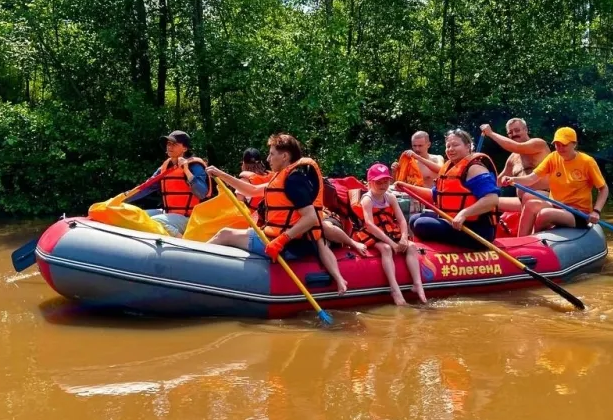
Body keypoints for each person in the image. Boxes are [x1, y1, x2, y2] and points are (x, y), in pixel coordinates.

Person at [208, 134, 349, 294]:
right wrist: (221, 174)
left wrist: (281, 240)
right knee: (227, 233)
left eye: (272, 154)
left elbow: (310, 218)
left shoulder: (294, 181)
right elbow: (252, 190)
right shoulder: (285, 177)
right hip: (277, 237)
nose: (268, 159)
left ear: (284, 156)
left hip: (289, 245)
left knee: (225, 234)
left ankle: (192, 263)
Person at [398, 129, 501, 249]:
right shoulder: (448, 168)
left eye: (455, 145)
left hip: (476, 229)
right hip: (454, 223)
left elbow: (492, 199)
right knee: (414, 219)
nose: (451, 149)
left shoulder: (475, 168)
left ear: (468, 146)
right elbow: (434, 195)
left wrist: (464, 213)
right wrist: (405, 187)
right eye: (448, 146)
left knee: (421, 224)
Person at [502, 127, 609, 236]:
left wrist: (596, 211)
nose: (560, 148)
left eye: (564, 145)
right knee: (530, 205)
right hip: (556, 205)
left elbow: (603, 189)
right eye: (557, 144)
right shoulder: (553, 157)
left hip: (578, 212)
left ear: (574, 144)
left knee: (545, 214)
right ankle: (521, 240)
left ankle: (534, 239)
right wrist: (513, 179)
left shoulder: (587, 162)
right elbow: (531, 179)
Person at [355, 163, 426, 305]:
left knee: (412, 247)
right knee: (386, 249)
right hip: (374, 233)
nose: (383, 185)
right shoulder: (367, 199)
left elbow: (401, 220)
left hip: (389, 230)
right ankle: (394, 289)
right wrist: (392, 243)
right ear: (370, 182)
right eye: (379, 182)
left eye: (386, 181)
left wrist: (404, 238)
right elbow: (369, 225)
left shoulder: (390, 197)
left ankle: (418, 285)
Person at [127, 130, 210, 236]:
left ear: (185, 148)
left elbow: (201, 193)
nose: (170, 147)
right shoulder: (164, 168)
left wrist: (186, 171)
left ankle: (183, 242)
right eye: (168, 144)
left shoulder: (194, 166)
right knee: (135, 216)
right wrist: (122, 199)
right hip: (168, 214)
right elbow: (145, 188)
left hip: (190, 218)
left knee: (156, 221)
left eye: (174, 144)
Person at [480, 118, 550, 215]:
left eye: (517, 130)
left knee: (528, 197)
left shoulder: (538, 143)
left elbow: (517, 147)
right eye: (510, 132)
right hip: (521, 201)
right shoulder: (512, 158)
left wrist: (491, 133)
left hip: (545, 197)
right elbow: (498, 181)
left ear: (525, 130)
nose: (514, 134)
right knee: (485, 203)